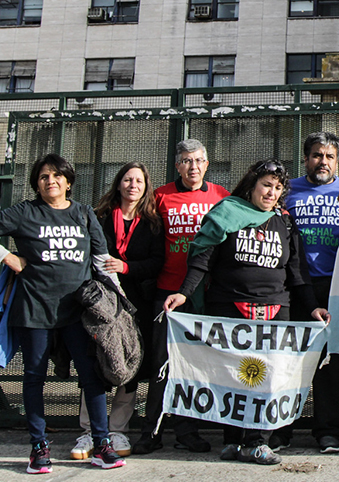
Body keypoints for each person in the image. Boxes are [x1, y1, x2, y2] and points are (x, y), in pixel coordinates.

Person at [0, 154, 126, 473]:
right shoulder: (25, 212)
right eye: (43, 177)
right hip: (34, 309)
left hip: (78, 312)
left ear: (68, 182)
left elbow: (101, 260)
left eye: (56, 175)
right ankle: (38, 447)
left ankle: (101, 443)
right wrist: (9, 258)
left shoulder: (83, 214)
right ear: (37, 184)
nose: (50, 181)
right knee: (34, 376)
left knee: (91, 376)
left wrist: (119, 301)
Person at [165, 159, 330, 465]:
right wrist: (183, 293)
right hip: (228, 308)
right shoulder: (226, 213)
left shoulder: (286, 223)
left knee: (267, 377)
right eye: (266, 185)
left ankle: (256, 441)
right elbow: (202, 260)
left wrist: (312, 307)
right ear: (252, 185)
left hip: (275, 310)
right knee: (231, 375)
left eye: (277, 188)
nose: (271, 193)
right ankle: (232, 440)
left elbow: (297, 273)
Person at [132, 139, 229, 455]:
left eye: (199, 160)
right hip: (167, 293)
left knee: (196, 365)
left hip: (205, 294)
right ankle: (152, 431)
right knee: (162, 365)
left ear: (207, 164)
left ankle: (188, 431)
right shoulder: (160, 196)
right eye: (187, 161)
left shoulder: (221, 196)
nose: (193, 167)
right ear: (177, 165)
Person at [68, 163, 165, 460]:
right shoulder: (99, 217)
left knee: (129, 364)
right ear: (118, 183)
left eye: (139, 181)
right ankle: (90, 430)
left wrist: (126, 267)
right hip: (101, 303)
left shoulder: (153, 223)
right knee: (96, 362)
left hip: (136, 303)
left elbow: (157, 262)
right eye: (127, 179)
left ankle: (118, 428)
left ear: (146, 187)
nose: (133, 185)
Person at [283, 132, 339, 453]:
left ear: (337, 161)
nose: (323, 161)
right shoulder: (288, 190)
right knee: (290, 361)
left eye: (330, 156)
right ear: (306, 159)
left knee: (331, 366)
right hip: (294, 286)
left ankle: (327, 431)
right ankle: (281, 429)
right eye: (317, 155)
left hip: (337, 287)